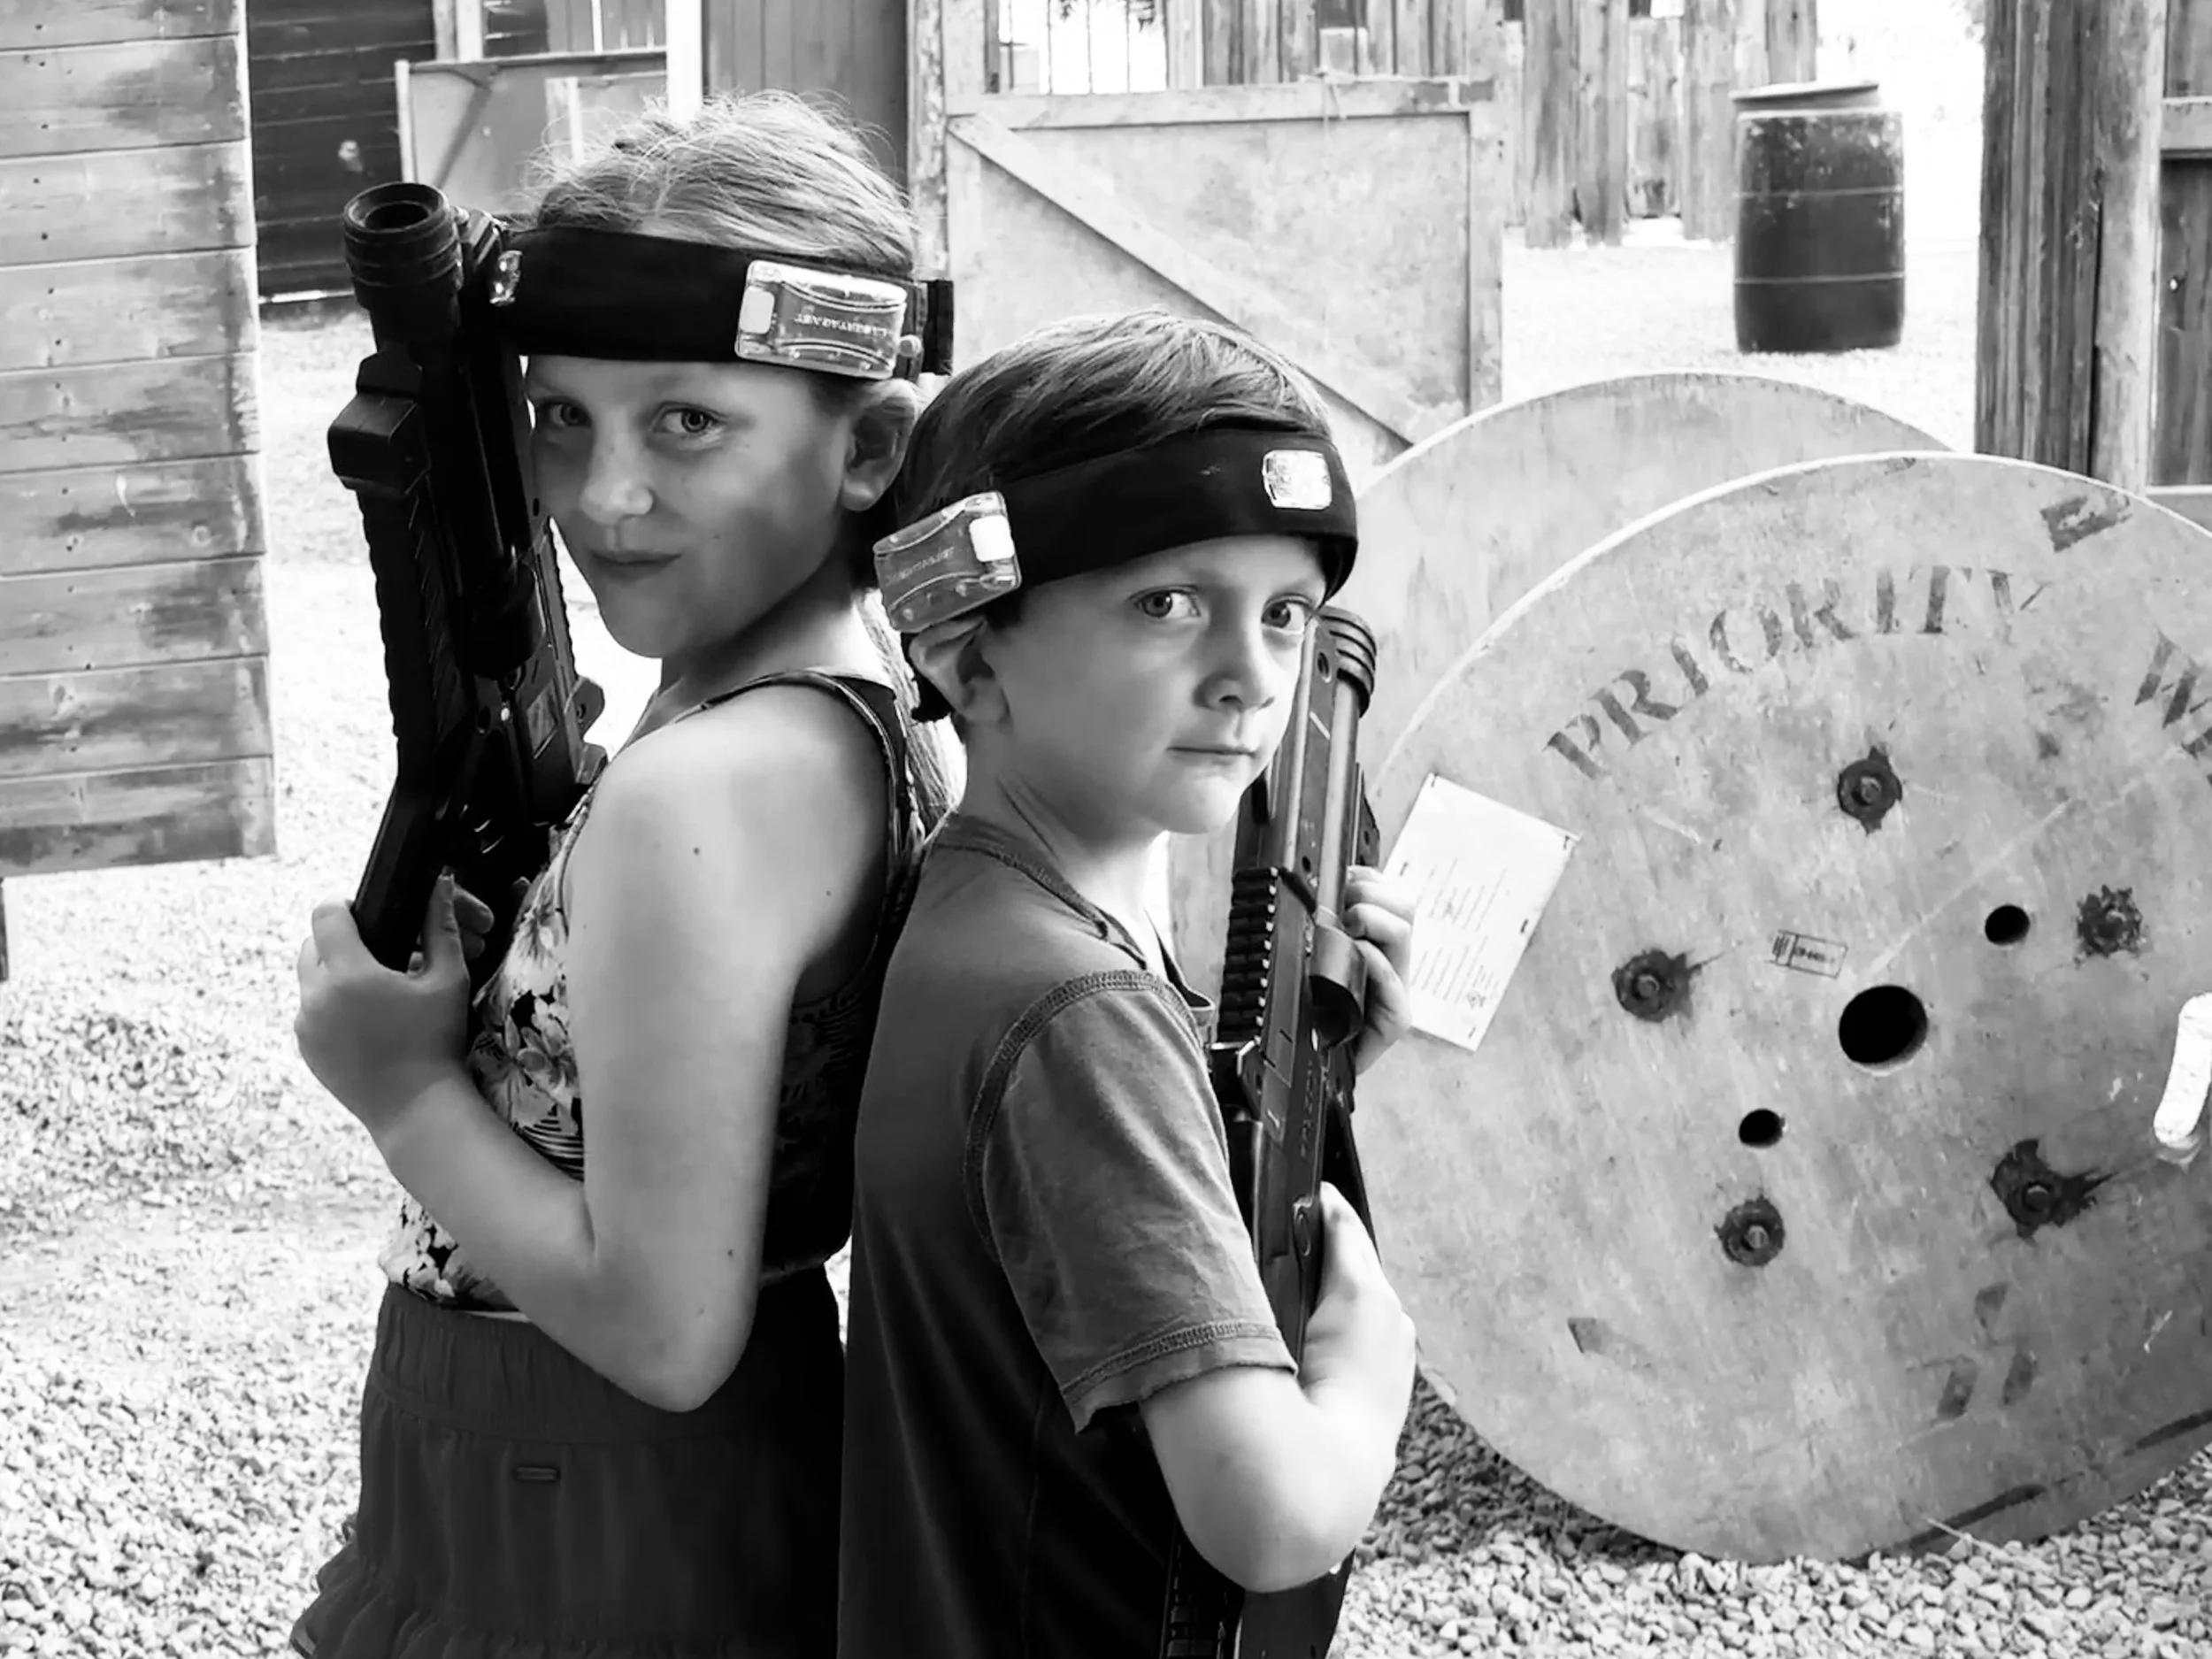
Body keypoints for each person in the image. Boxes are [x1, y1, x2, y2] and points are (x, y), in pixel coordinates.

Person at [288, 91, 955, 1659]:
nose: (603, 498)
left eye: (687, 423)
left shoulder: (703, 790)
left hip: (584, 1494)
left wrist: (401, 1088)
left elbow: (663, 1327)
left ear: (869, 447)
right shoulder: (841, 711)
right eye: (563, 416)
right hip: (665, 1485)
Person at [839, 310, 1423, 1656]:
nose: (1251, 677)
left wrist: (1313, 1081)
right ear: (966, 653)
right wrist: (1369, 1373)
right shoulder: (1078, 1016)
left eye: (1285, 613)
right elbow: (1270, 1517)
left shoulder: (986, 907)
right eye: (1167, 604)